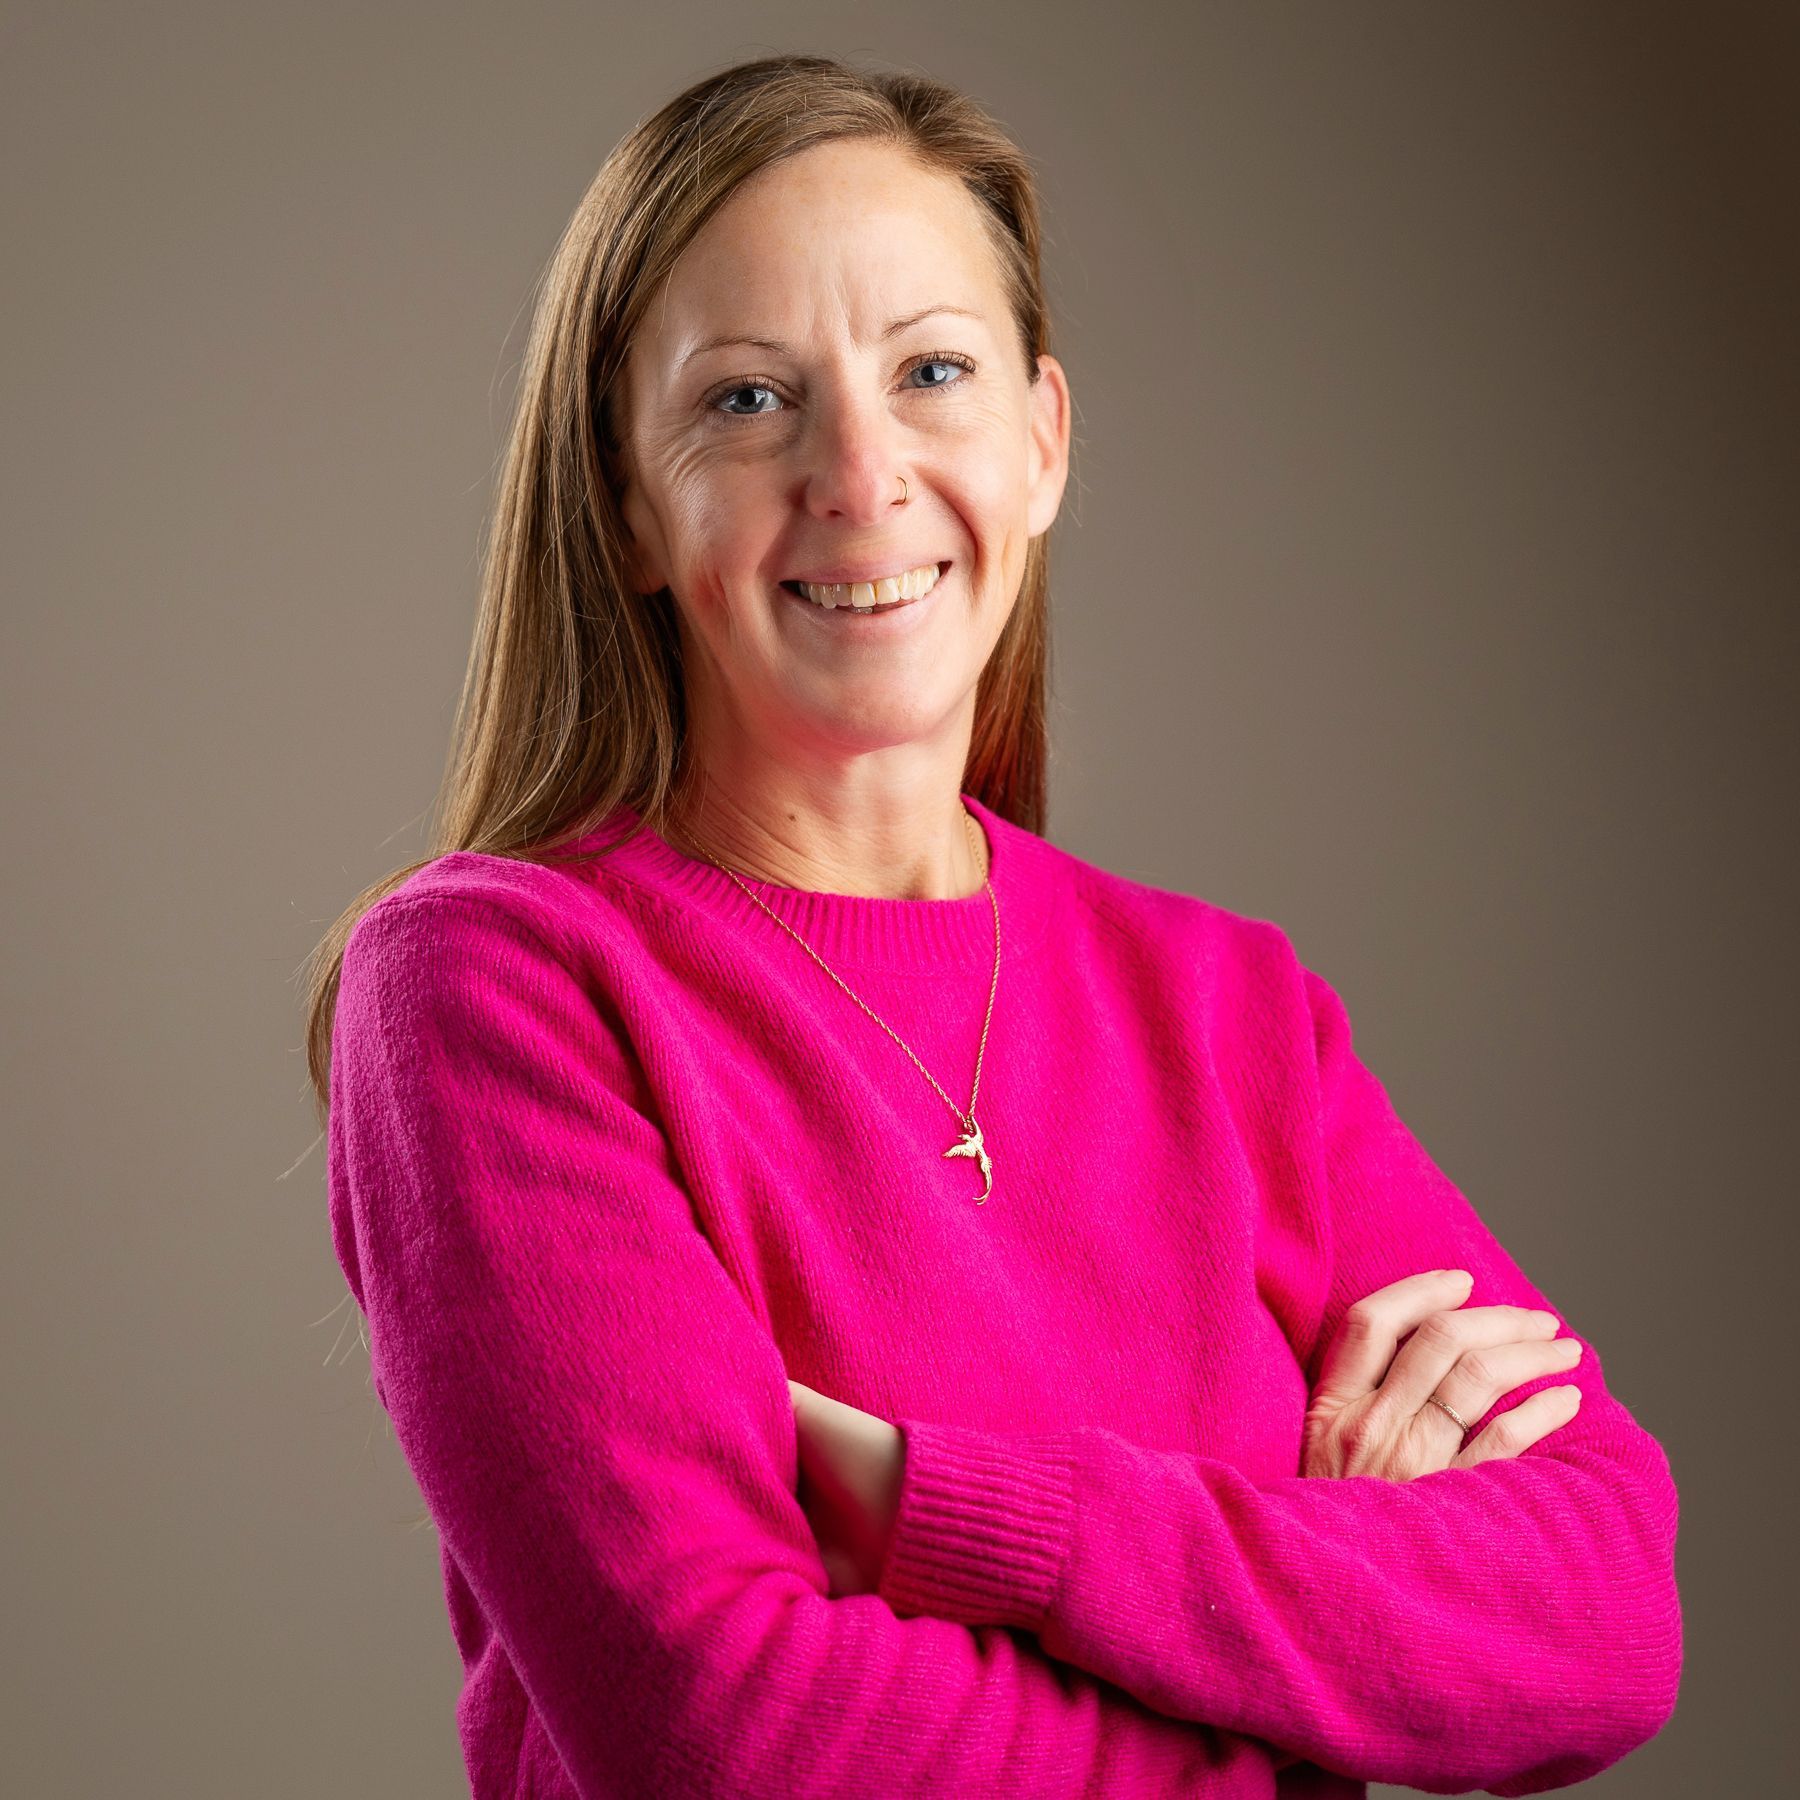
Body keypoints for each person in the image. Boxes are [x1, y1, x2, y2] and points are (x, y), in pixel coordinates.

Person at [304, 53, 1682, 1799]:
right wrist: (1314, 1643)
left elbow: (1607, 1619)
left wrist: (966, 1519)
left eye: (932, 372)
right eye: (747, 400)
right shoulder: (496, 984)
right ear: (629, 506)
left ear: (1041, 442)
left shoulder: (1232, 1007)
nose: (860, 474)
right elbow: (725, 1734)